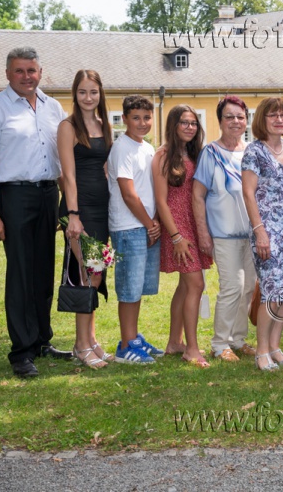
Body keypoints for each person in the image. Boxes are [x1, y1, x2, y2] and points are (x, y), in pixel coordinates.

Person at [0, 47, 72, 378]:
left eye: (32, 70)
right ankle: (21, 351)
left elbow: (62, 161)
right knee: (21, 274)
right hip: (14, 196)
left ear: (41, 72)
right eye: (19, 71)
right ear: (8, 74)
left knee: (43, 271)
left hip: (48, 194)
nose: (27, 76)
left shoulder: (53, 108)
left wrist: (69, 204)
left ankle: (42, 340)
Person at [192, 96, 258, 362]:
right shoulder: (210, 153)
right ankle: (220, 344)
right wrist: (203, 233)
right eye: (229, 117)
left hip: (252, 234)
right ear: (220, 121)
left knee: (248, 287)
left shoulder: (252, 151)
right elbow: (197, 196)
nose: (235, 121)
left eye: (240, 117)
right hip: (223, 234)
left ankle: (238, 340)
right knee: (233, 286)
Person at [57, 69, 114, 369]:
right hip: (79, 210)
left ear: (100, 93)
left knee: (97, 274)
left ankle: (91, 339)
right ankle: (81, 346)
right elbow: (68, 175)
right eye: (82, 92)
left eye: (93, 91)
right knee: (86, 273)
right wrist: (73, 215)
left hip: (102, 208)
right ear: (75, 94)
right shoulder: (68, 127)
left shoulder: (104, 125)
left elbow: (106, 167)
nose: (88, 97)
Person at [242, 98, 283, 371]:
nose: (279, 119)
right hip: (267, 232)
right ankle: (261, 350)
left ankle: (275, 347)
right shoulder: (254, 151)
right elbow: (248, 193)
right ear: (261, 120)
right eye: (273, 115)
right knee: (271, 291)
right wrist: (260, 232)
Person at [154, 105, 213, 368]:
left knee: (184, 286)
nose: (190, 127)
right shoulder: (163, 156)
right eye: (184, 123)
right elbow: (161, 201)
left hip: (194, 223)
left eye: (193, 123)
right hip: (177, 228)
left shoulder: (195, 154)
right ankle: (192, 349)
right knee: (196, 285)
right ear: (173, 125)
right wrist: (176, 237)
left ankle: (174, 342)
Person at [108, 94, 163, 364]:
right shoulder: (122, 148)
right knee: (129, 289)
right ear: (124, 119)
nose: (142, 123)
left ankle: (134, 338)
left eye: (147, 117)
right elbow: (128, 194)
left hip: (146, 225)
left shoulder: (147, 148)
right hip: (129, 226)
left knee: (138, 287)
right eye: (136, 118)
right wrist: (150, 224)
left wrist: (154, 222)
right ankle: (125, 346)